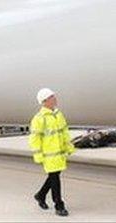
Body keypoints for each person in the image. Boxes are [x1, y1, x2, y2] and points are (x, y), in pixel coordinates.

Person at [29, 88, 75, 217]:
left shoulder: (58, 115)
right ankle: (59, 205)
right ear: (44, 101)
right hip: (49, 154)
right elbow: (35, 138)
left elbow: (64, 132)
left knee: (54, 176)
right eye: (52, 97)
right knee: (55, 178)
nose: (55, 99)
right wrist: (37, 154)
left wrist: (68, 146)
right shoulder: (39, 118)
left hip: (59, 153)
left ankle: (40, 195)